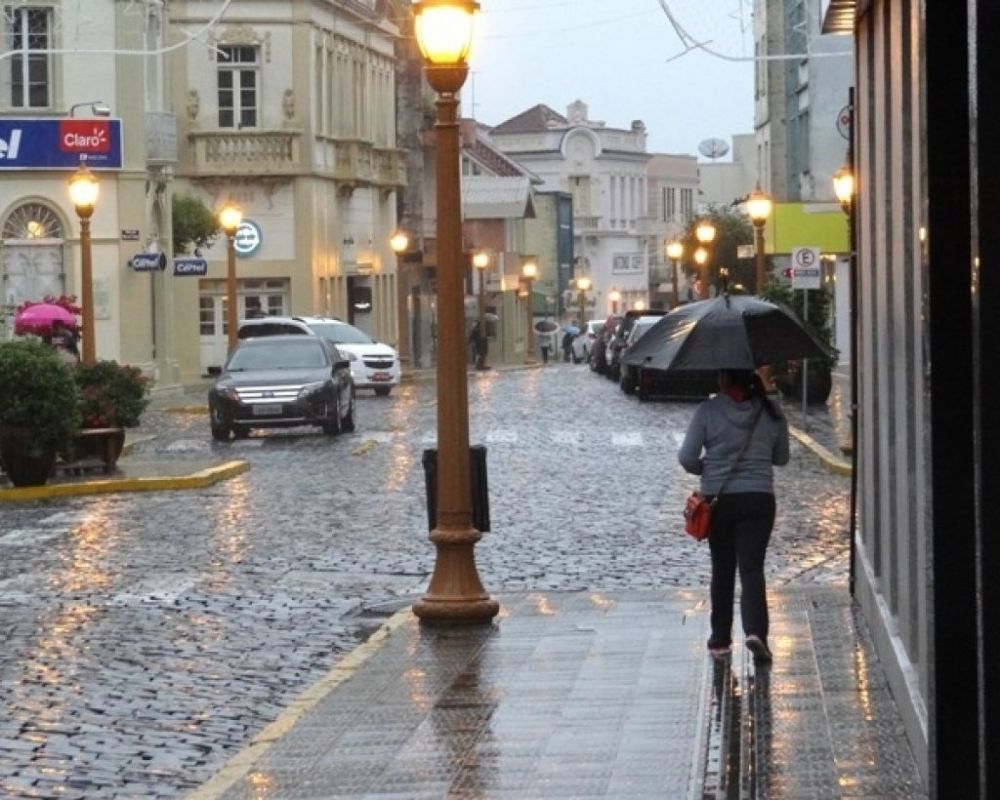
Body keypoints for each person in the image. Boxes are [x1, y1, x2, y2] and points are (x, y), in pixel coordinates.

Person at [678, 368, 789, 663]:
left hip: (720, 501)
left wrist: (709, 468)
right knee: (752, 568)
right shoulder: (771, 410)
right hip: (759, 499)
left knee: (723, 569)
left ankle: (720, 640)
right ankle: (755, 633)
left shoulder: (708, 410)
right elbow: (782, 458)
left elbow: (687, 456)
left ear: (724, 379)